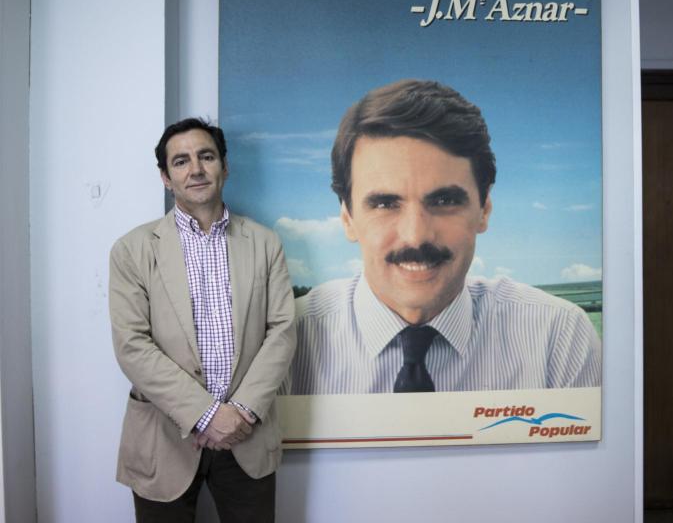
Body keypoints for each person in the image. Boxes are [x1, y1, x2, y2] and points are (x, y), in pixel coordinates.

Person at [287, 79, 601, 394]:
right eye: (385, 203)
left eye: (444, 201)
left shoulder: (558, 338)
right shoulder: (285, 342)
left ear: (485, 209)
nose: (415, 236)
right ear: (347, 218)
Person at [109, 118, 296, 522]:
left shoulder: (265, 243)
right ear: (165, 177)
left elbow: (281, 331)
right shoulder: (132, 250)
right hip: (165, 436)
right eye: (180, 161)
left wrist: (240, 413)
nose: (195, 169)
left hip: (247, 435)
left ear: (224, 167)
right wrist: (207, 415)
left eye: (205, 156)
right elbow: (132, 345)